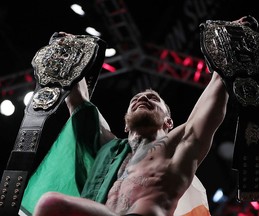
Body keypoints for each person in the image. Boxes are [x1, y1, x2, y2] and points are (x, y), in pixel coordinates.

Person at [30, 67, 228, 216]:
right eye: (136, 99)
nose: (142, 98)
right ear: (125, 125)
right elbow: (79, 103)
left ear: (169, 122)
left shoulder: (178, 146)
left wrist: (222, 69)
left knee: (50, 203)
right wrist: (70, 56)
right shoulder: (110, 150)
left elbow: (207, 112)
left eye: (152, 98)